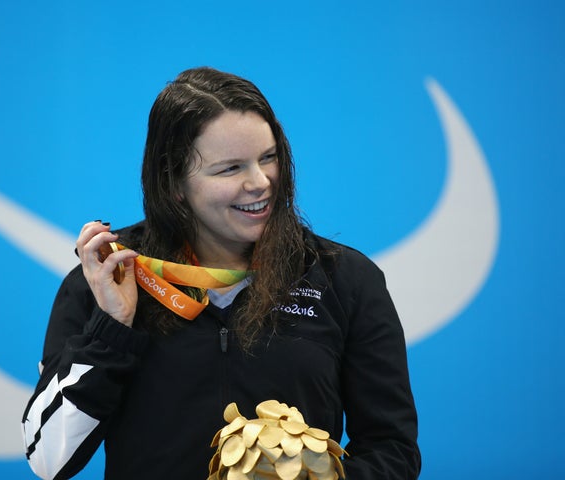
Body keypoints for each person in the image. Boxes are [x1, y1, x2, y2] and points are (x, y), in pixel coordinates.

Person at [21, 66, 421, 480]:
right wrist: (112, 328)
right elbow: (50, 459)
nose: (260, 182)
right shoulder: (111, 277)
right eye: (230, 169)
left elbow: (392, 449)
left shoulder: (344, 279)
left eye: (269, 158)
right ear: (173, 181)